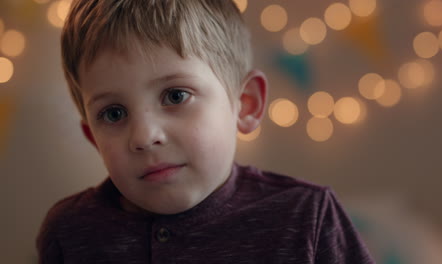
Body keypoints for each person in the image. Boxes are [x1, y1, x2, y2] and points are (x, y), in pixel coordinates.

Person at [37, 0, 375, 263]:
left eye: (175, 96)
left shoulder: (306, 218)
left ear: (245, 104)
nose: (144, 136)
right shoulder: (68, 232)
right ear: (93, 138)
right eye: (113, 113)